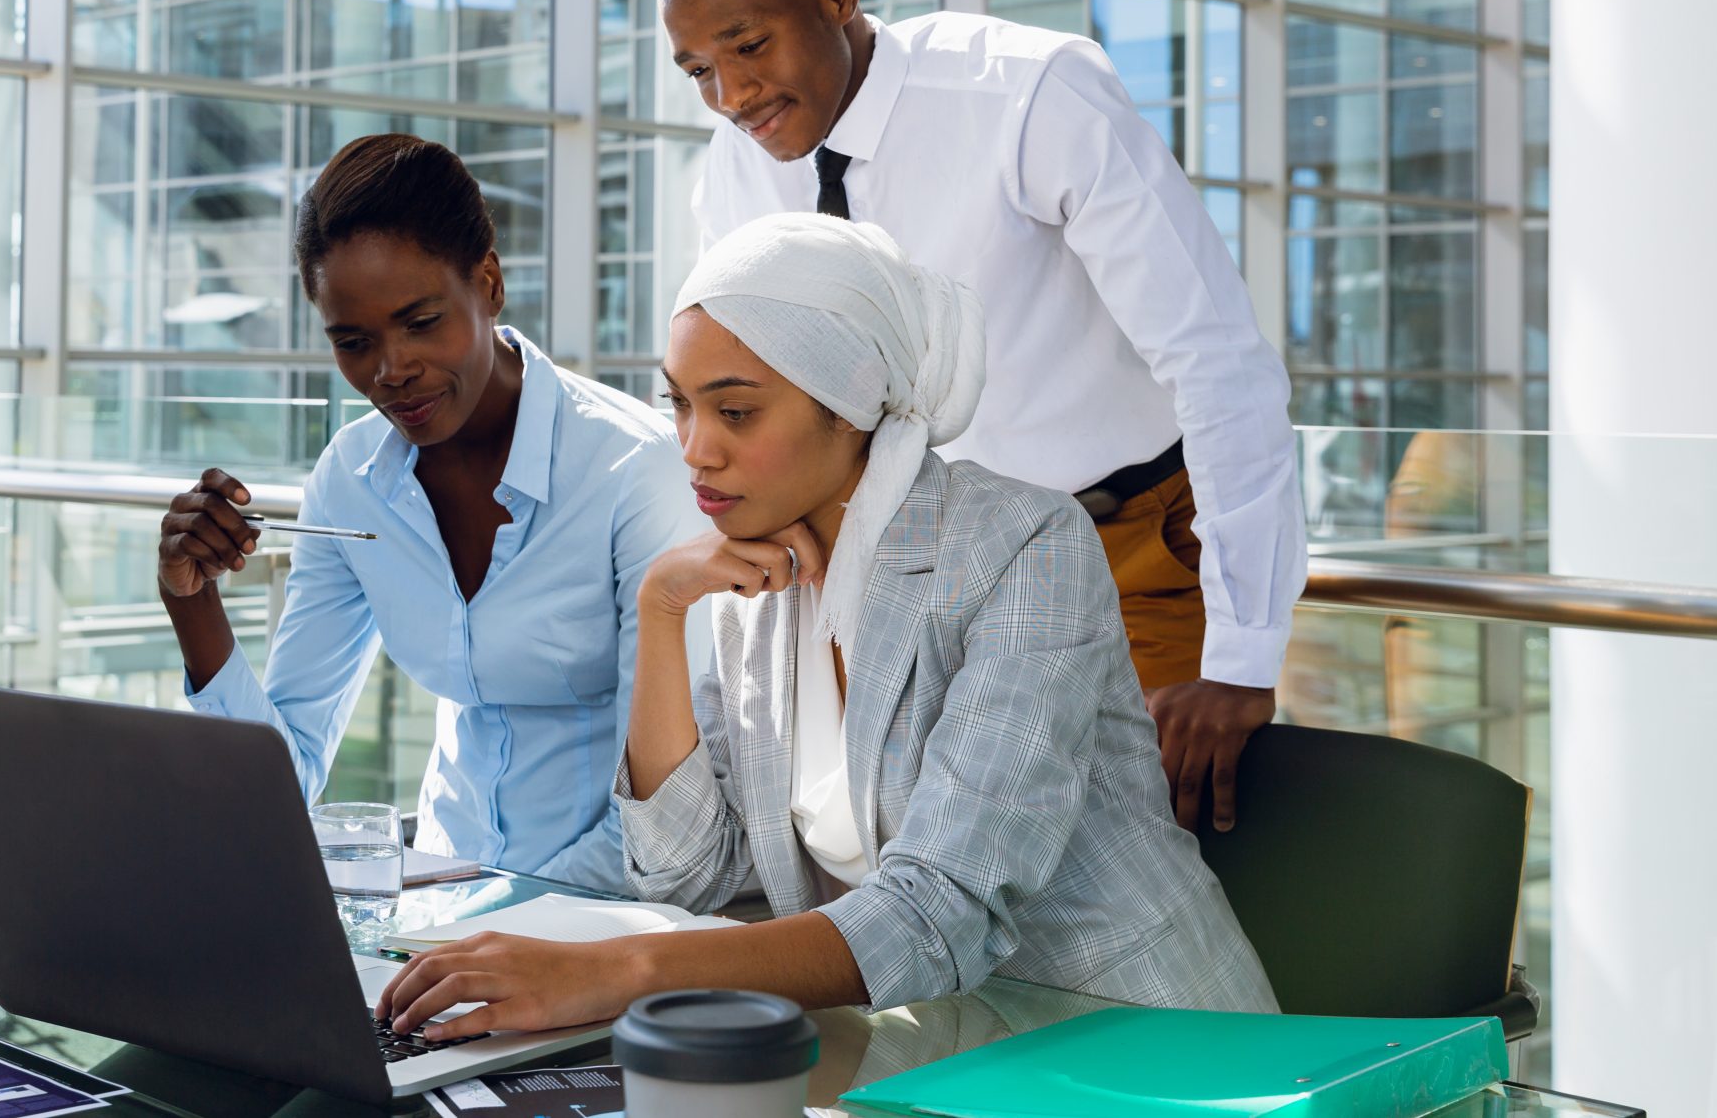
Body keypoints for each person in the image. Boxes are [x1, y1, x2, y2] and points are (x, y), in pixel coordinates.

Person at [378, 215, 1274, 1039]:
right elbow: (687, 876)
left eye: (735, 410)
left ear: (851, 403)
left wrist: (617, 970)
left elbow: (938, 910)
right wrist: (661, 611)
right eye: (680, 404)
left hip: (1130, 1040)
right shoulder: (756, 579)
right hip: (926, 1046)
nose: (694, 446)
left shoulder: (1022, 545)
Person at [650, 0, 1306, 829]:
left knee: (1150, 877)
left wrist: (1241, 659)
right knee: (935, 888)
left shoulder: (1031, 94)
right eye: (698, 69)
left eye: (747, 46)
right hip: (912, 567)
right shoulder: (740, 164)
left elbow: (1216, 359)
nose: (731, 93)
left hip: (1125, 553)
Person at [156, 134, 700, 892]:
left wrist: (496, 926)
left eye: (420, 321)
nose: (389, 370)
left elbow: (668, 821)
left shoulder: (635, 473)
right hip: (435, 903)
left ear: (489, 282)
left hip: (605, 917)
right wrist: (192, 604)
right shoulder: (350, 478)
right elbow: (281, 777)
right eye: (353, 341)